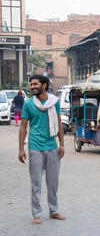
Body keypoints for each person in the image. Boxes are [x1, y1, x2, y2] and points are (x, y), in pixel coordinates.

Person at [18, 75, 66, 225]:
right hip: (35, 147)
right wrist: (21, 149)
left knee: (53, 182)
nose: (32, 87)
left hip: (52, 146)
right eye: (31, 85)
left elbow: (58, 123)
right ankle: (37, 214)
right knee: (36, 183)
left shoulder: (54, 102)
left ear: (44, 85)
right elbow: (23, 127)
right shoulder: (28, 104)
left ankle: (54, 211)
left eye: (35, 84)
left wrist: (62, 144)